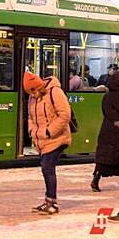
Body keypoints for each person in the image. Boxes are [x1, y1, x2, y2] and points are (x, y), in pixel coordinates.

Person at [23, 71, 71, 215]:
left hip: (57, 138)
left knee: (47, 167)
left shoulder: (55, 92)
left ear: (39, 86)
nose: (33, 95)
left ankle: (52, 203)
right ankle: (48, 201)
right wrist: (33, 132)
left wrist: (50, 131)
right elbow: (30, 118)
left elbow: (65, 114)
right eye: (30, 93)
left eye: (35, 91)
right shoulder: (32, 98)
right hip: (42, 140)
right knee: (46, 168)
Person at [91, 71, 119, 192]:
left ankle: (96, 179)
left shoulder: (106, 96)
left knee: (104, 157)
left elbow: (104, 111)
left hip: (106, 128)